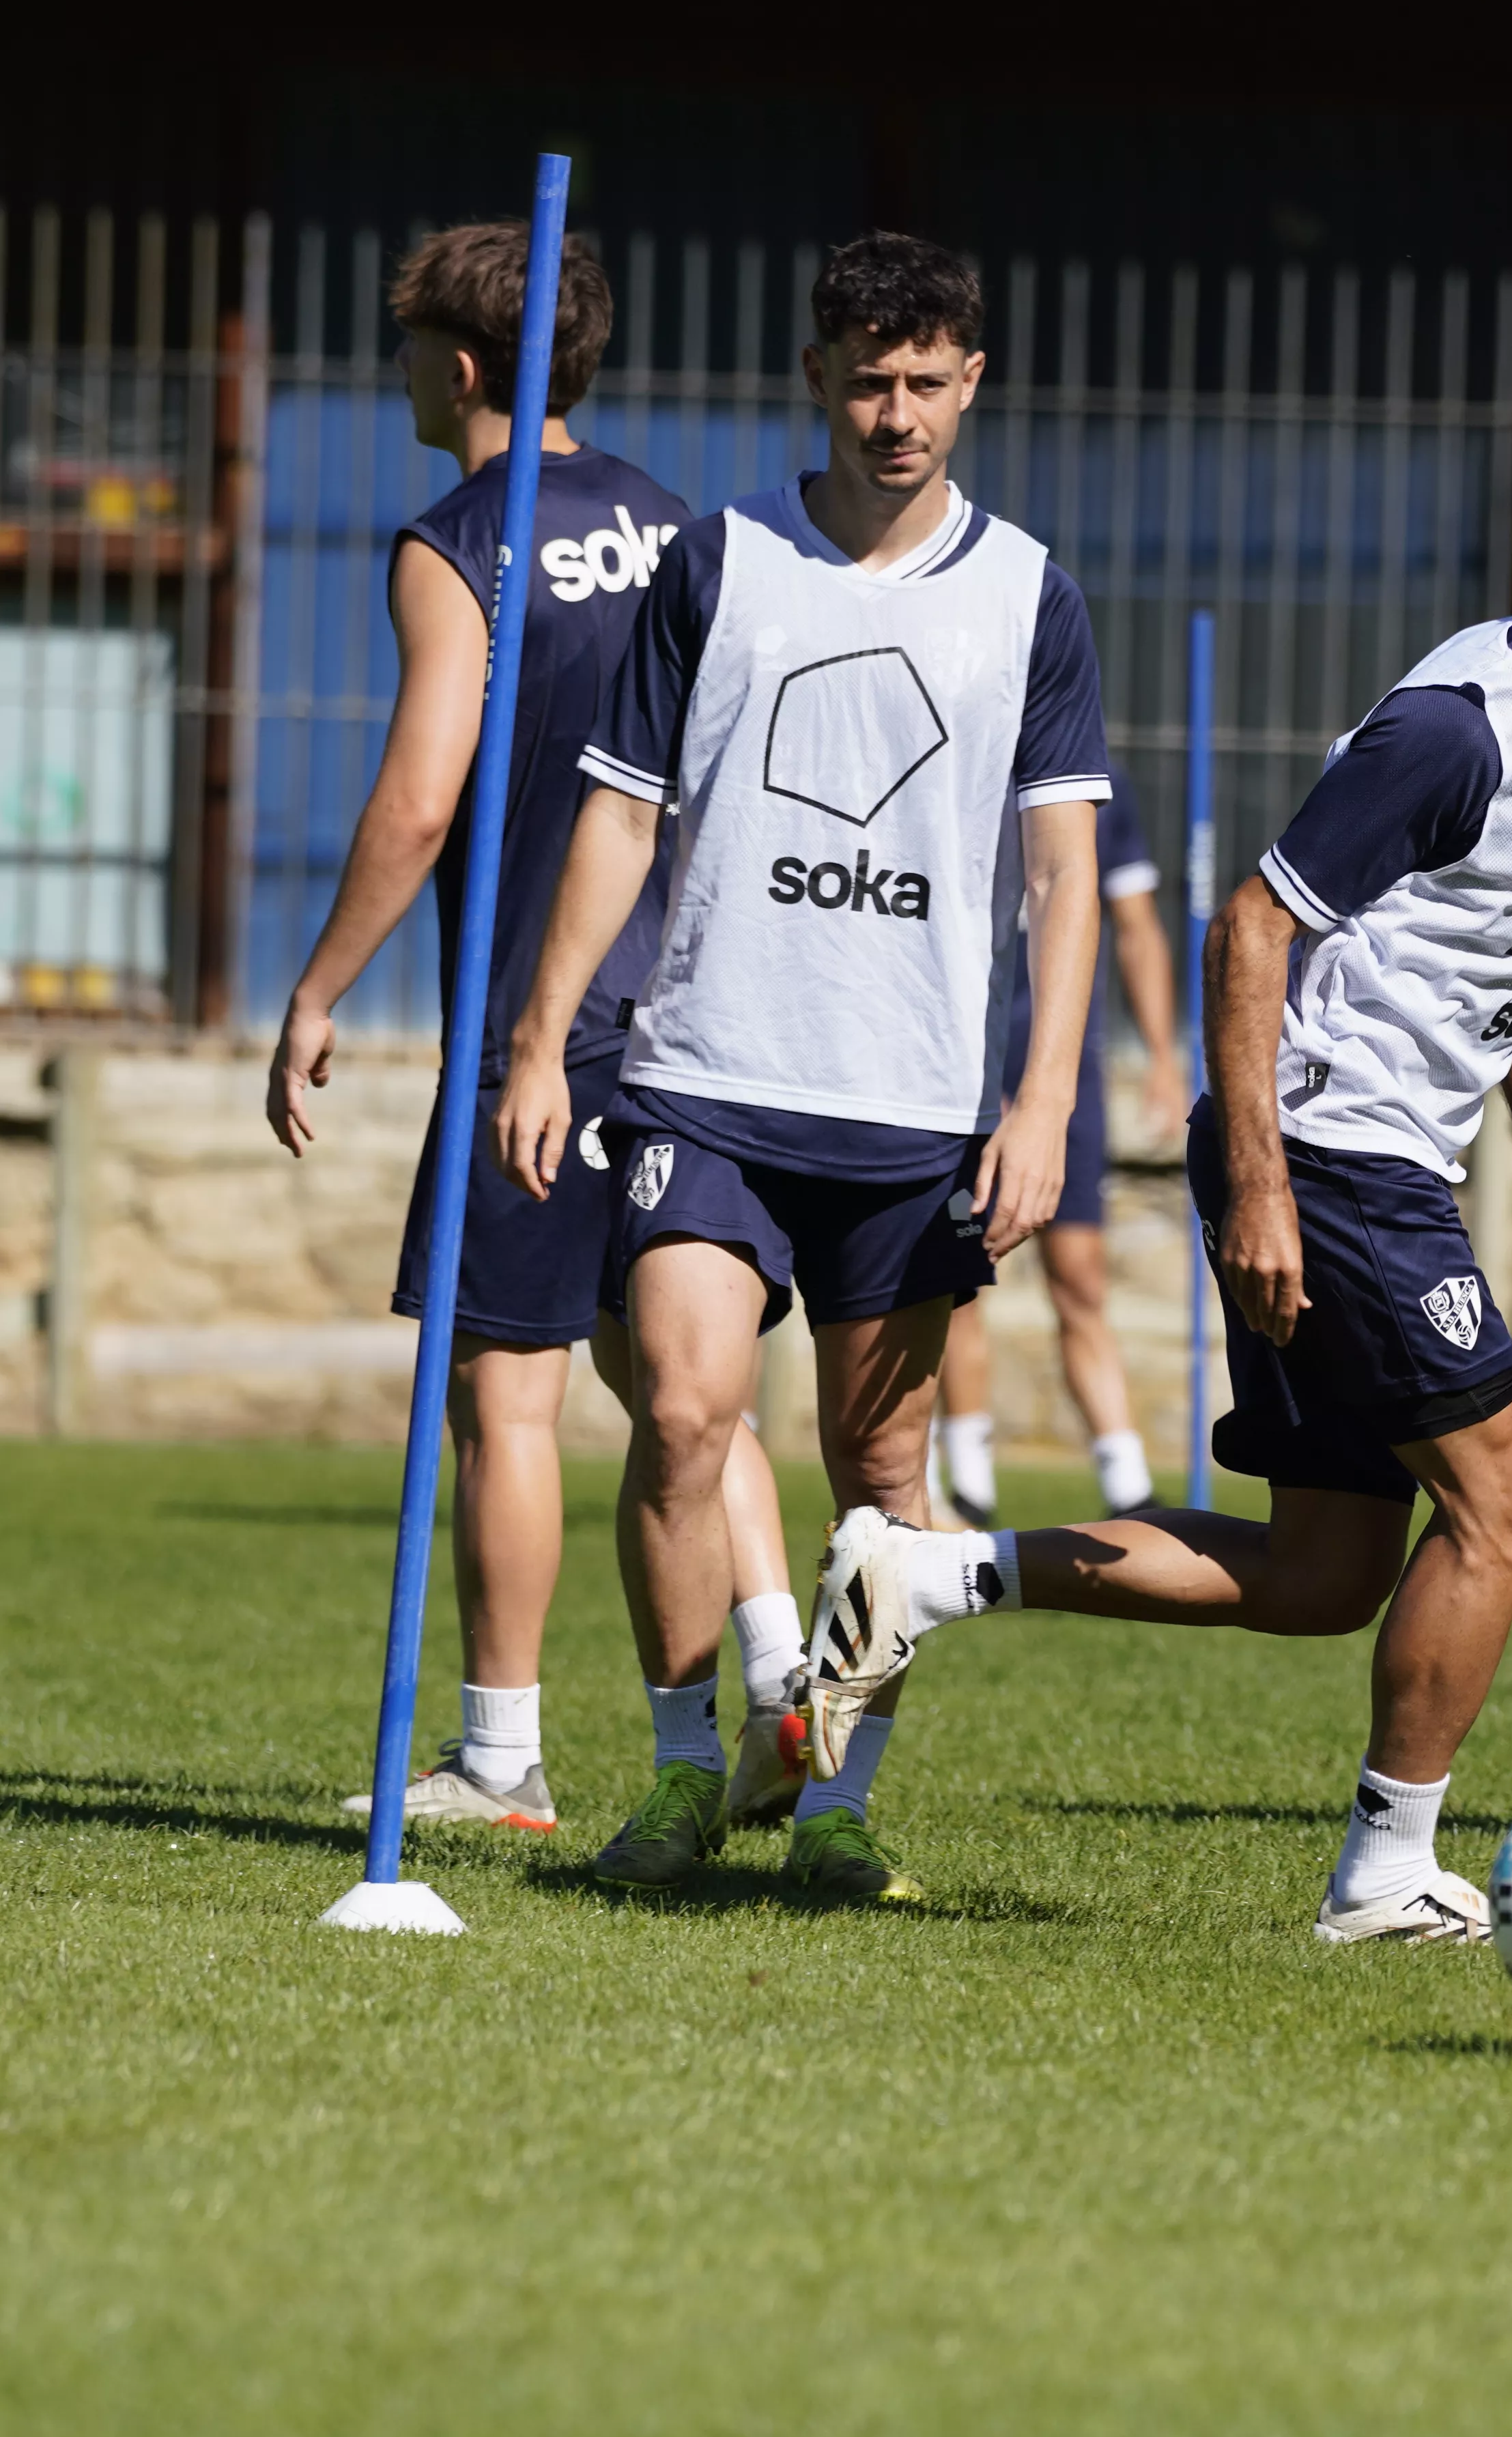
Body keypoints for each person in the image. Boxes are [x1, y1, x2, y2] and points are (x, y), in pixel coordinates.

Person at [795, 414, 1512, 1943]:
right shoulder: (1461, 723)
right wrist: (1259, 1183)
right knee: (1508, 1503)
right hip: (1328, 1147)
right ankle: (1383, 1878)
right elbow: (1252, 926)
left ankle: (923, 1577)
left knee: (1323, 1574)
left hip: (1398, 1152)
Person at [498, 232, 1109, 1900]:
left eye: (926, 381)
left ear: (972, 380)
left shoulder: (1027, 593)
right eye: (867, 380)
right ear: (815, 378)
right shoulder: (721, 558)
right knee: (686, 1413)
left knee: (883, 1476)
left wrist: (1044, 1095)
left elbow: (1060, 874)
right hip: (707, 1074)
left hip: (911, 1107)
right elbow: (622, 809)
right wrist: (544, 1038)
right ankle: (688, 1771)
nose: (896, 413)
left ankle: (837, 1798)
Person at [261, 219, 803, 1834]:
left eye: (416, 345)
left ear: (468, 366)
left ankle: (500, 1753)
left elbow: (425, 797)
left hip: (537, 1036)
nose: (403, 373)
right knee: (687, 1386)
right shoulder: (678, 526)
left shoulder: (453, 545)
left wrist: (316, 987)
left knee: (505, 1389)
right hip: (694, 1018)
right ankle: (784, 1684)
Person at [930, 770, 1185, 1520]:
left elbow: (1136, 925)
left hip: (1063, 1084)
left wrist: (1165, 1062)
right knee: (957, 1283)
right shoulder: (964, 766)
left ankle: (1127, 1488)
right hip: (959, 1082)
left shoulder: (1101, 786)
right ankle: (967, 1487)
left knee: (1079, 1278)